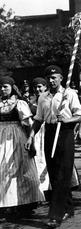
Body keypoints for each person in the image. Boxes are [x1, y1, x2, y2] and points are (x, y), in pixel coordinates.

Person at [25, 65, 81, 229]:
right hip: (50, 133)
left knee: (63, 173)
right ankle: (68, 207)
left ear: (61, 78)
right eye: (49, 78)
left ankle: (55, 215)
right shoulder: (43, 97)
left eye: (54, 78)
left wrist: (68, 120)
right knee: (54, 173)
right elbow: (38, 119)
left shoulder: (69, 94)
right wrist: (31, 136)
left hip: (65, 133)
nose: (51, 81)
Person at [0, 76, 44, 217]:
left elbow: (27, 124)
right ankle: (6, 203)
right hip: (1, 138)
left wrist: (30, 142)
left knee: (19, 170)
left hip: (16, 138)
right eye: (0, 87)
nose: (2, 89)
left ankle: (24, 203)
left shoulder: (19, 103)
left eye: (5, 86)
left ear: (12, 87)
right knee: (3, 170)